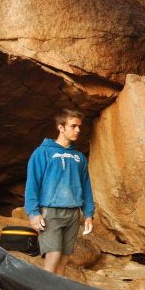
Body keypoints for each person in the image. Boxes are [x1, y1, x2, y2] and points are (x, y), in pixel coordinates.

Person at [24, 109, 94, 275]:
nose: (78, 130)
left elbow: (86, 186)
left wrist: (89, 214)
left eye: (79, 126)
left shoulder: (80, 157)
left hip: (73, 214)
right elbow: (33, 183)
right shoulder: (43, 152)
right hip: (51, 212)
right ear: (61, 127)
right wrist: (33, 213)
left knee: (63, 260)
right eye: (73, 126)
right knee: (53, 256)